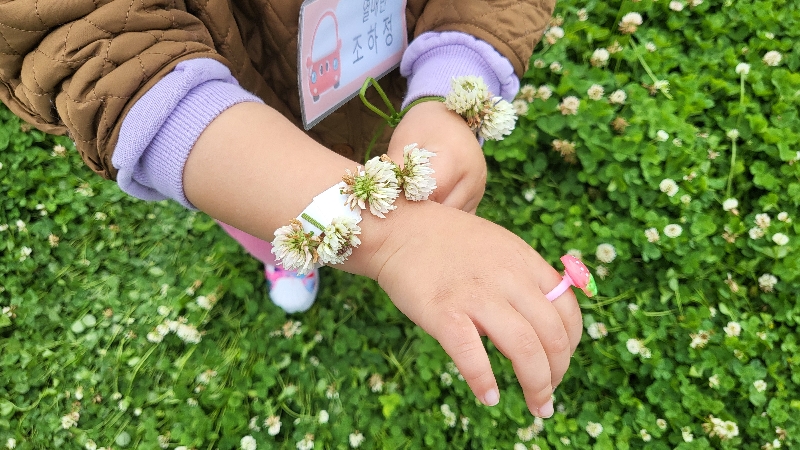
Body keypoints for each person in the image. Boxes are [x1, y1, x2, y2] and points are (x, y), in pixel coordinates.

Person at [0, 0, 582, 418]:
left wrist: (451, 89)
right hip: (243, 131)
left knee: (395, 161)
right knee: (269, 227)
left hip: (387, 89)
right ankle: (288, 256)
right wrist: (395, 236)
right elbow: (95, 44)